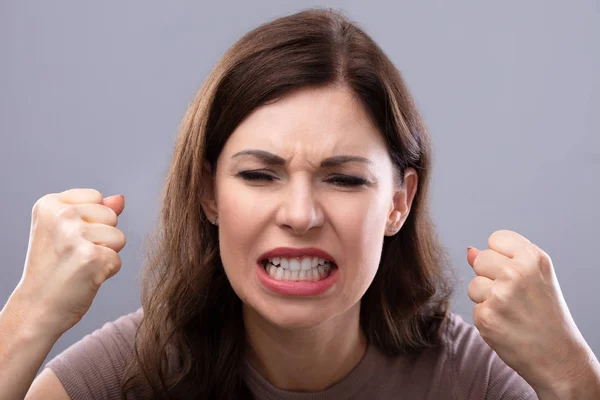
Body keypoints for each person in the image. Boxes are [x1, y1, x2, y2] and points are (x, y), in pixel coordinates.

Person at [1, 7, 599, 400]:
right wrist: (29, 317)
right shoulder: (132, 370)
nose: (300, 214)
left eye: (343, 180)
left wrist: (573, 374)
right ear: (209, 192)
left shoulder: (466, 378)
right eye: (260, 175)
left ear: (398, 203)